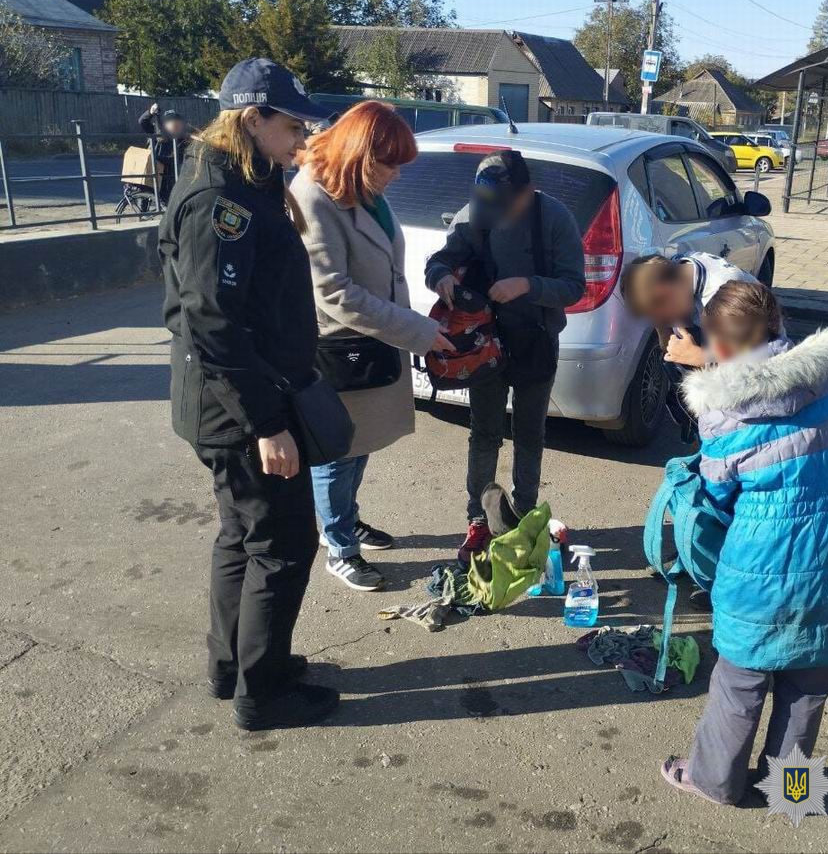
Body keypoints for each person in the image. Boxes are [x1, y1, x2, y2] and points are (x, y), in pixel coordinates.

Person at [160, 58, 340, 731]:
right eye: (291, 123)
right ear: (252, 117)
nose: (300, 135)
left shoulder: (244, 179)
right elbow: (212, 324)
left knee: (243, 534)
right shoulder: (222, 201)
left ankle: (232, 665)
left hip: (234, 399)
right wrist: (267, 423)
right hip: (239, 408)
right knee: (284, 541)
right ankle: (263, 693)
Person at [659, 280, 828, 806]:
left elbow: (716, 492)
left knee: (739, 682)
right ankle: (792, 790)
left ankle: (714, 781)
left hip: (763, 564)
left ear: (720, 346)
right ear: (777, 323)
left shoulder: (722, 412)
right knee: (809, 687)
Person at [291, 101, 453, 592]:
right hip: (342, 348)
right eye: (391, 164)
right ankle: (339, 546)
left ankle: (345, 520)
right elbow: (335, 292)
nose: (398, 176)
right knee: (337, 452)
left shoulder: (360, 190)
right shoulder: (313, 196)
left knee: (360, 446)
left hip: (376, 340)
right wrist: (417, 330)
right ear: (361, 155)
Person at [425, 150, 585, 563]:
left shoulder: (555, 218)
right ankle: (478, 520)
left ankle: (526, 516)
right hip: (484, 343)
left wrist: (526, 285)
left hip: (535, 339)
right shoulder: (476, 211)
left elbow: (573, 287)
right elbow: (439, 260)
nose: (492, 213)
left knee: (530, 434)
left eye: (503, 205)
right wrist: (440, 275)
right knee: (485, 433)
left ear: (526, 192)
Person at [620, 251, 757, 444]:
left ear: (665, 292)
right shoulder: (678, 270)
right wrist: (664, 326)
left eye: (657, 314)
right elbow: (666, 344)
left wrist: (698, 356)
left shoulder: (728, 297)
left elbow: (757, 367)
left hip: (758, 410)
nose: (659, 322)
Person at [139, 102, 191, 206]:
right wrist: (150, 112)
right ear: (164, 124)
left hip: (175, 170)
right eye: (170, 122)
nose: (175, 125)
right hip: (158, 166)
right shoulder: (156, 131)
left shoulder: (183, 137)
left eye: (177, 122)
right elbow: (142, 121)